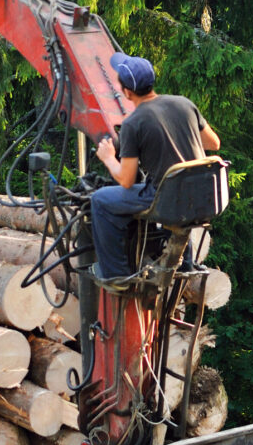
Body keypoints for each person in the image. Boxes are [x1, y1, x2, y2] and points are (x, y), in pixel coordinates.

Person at [91, 52, 220, 284]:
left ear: (127, 92)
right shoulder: (184, 103)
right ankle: (185, 264)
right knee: (179, 190)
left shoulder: (133, 123)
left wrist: (109, 158)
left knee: (100, 200)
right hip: (203, 197)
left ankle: (116, 276)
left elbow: (127, 180)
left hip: (167, 200)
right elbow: (214, 143)